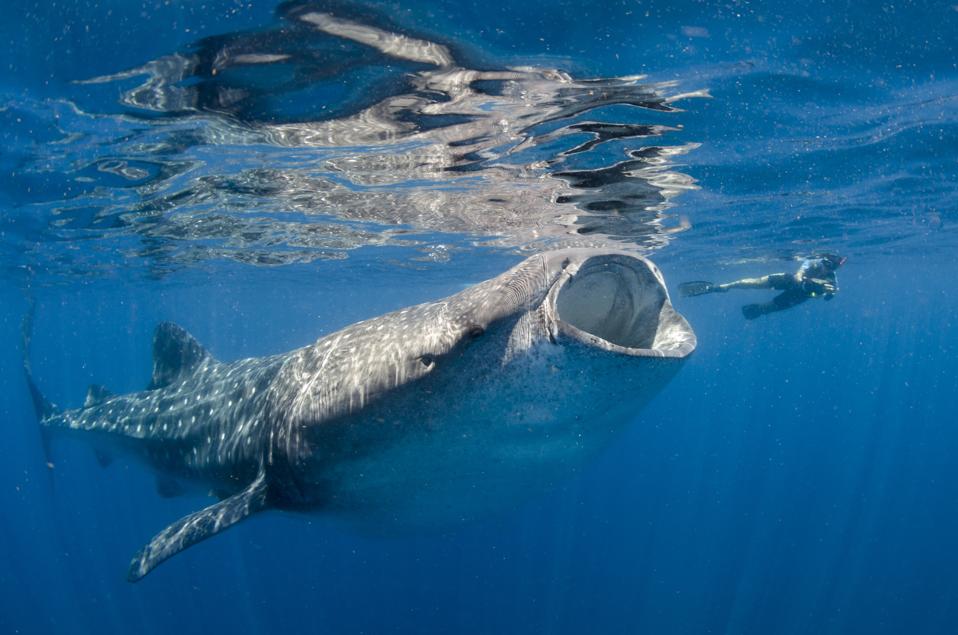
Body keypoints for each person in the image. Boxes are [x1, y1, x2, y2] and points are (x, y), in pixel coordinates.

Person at [679, 254, 847, 319]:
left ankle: (755, 310)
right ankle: (721, 287)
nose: (826, 269)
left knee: (767, 308)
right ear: (823, 261)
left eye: (831, 268)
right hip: (790, 281)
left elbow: (824, 296)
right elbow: (798, 275)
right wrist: (808, 282)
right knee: (755, 282)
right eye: (826, 264)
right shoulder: (813, 262)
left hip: (799, 295)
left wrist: (823, 293)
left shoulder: (831, 279)